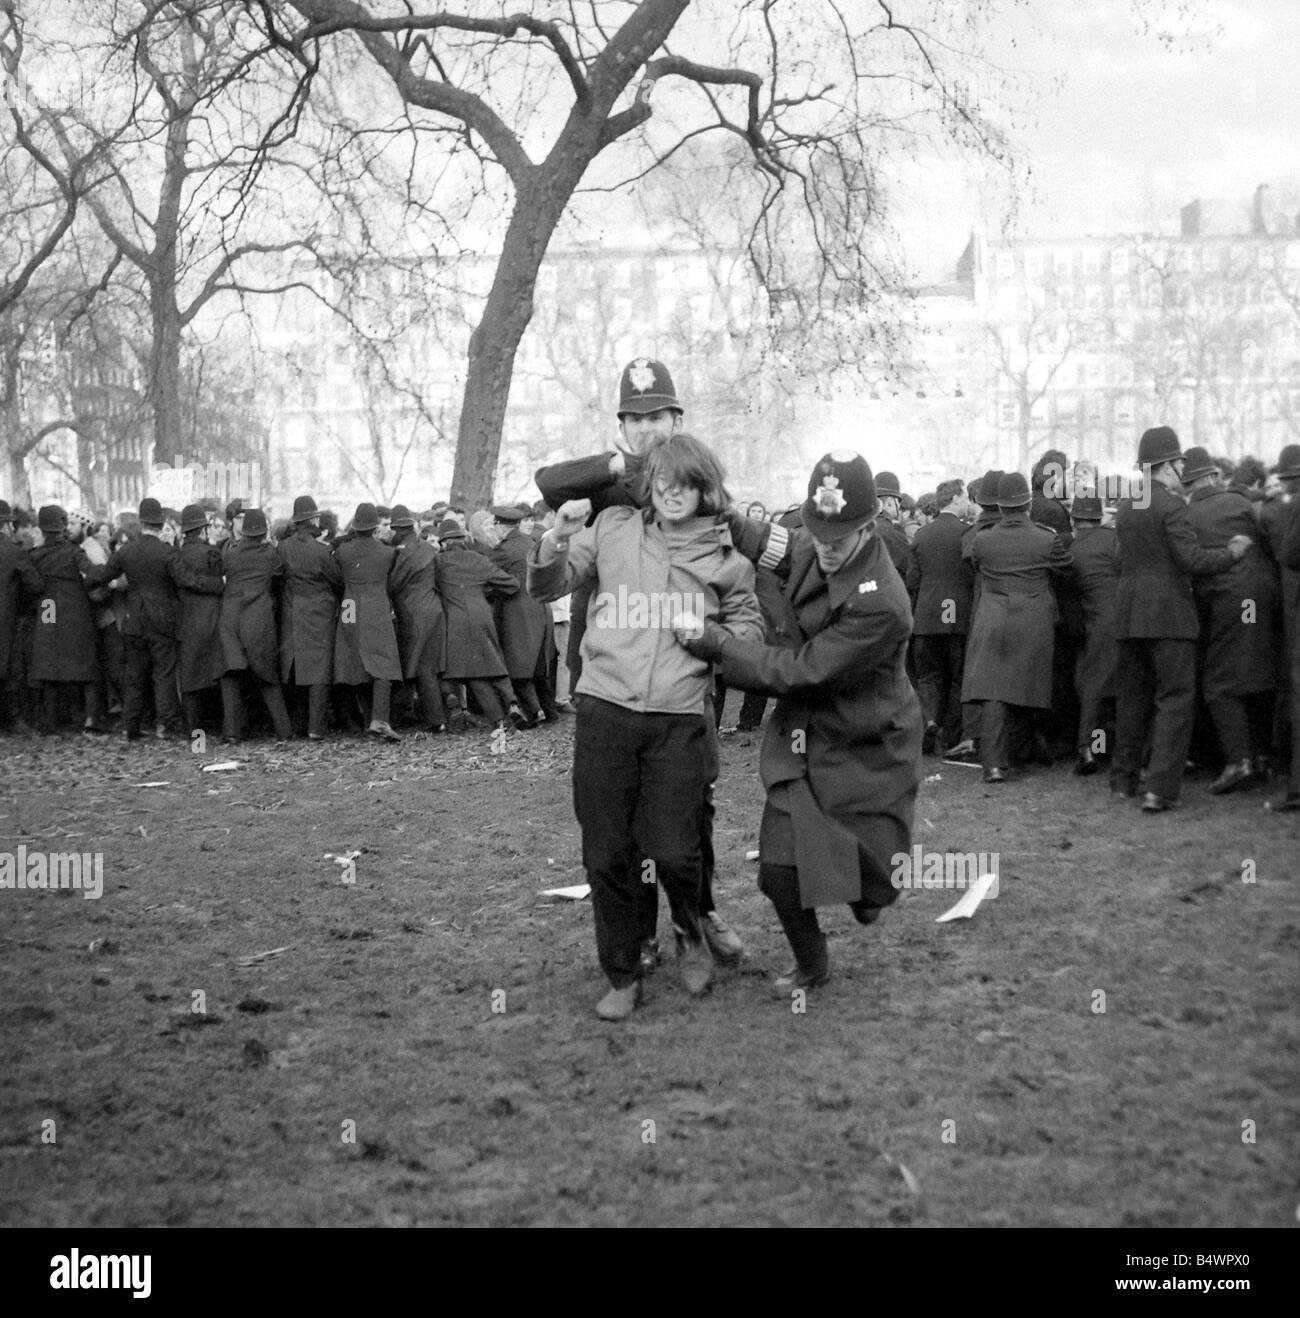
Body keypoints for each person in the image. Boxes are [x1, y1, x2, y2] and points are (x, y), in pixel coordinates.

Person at [529, 432, 763, 1020]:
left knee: (675, 852)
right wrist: (557, 538)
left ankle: (689, 928)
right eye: (661, 481)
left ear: (705, 490)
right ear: (648, 484)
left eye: (684, 483)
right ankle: (623, 970)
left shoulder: (726, 560)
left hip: (677, 719)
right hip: (605, 711)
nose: (671, 492)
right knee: (607, 854)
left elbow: (749, 637)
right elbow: (548, 585)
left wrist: (711, 638)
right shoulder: (612, 528)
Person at [674, 451, 921, 989]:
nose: (825, 548)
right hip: (806, 741)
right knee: (778, 872)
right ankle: (813, 964)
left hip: (865, 748)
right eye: (819, 533)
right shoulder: (816, 542)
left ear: (868, 527)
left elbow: (803, 672)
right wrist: (719, 510)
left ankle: (867, 891)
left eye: (838, 540)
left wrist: (718, 645)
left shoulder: (882, 603)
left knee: (876, 876)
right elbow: (773, 543)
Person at [1111, 427, 1251, 812]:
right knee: (1174, 700)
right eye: (1178, 464)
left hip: (1128, 613)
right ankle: (1159, 789)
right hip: (1169, 615)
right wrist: (1232, 553)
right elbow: (1191, 560)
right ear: (1169, 465)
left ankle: (1123, 780)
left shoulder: (1128, 504)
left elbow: (1120, 558)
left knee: (1132, 700)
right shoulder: (1171, 505)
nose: (1181, 471)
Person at [961, 472, 1072, 783]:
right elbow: (1067, 569)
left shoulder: (982, 540)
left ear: (999, 505)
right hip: (1033, 619)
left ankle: (994, 765)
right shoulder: (1046, 539)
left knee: (993, 691)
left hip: (992, 618)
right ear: (1028, 504)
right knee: (1027, 685)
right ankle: (1022, 752)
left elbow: (976, 566)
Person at [1180, 447, 1278, 792]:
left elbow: (1190, 562)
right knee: (1258, 672)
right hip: (1261, 597)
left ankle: (1238, 762)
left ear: (1186, 482)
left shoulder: (1187, 515)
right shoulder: (1241, 501)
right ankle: (1262, 758)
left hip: (1231, 599)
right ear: (1213, 475)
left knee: (1219, 684)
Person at [434, 519, 527, 732]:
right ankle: (512, 703)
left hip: (455, 620)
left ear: (444, 542)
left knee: (474, 674)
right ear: (463, 539)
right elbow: (512, 584)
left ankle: (497, 720)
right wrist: (485, 591)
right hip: (482, 615)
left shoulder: (439, 562)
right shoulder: (479, 559)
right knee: (495, 661)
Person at [906, 478, 972, 755]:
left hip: (927, 616)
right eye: (965, 497)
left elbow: (913, 580)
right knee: (957, 676)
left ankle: (930, 720)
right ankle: (951, 735)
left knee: (928, 676)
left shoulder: (921, 535)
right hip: (957, 615)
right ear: (955, 498)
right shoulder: (966, 533)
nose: (967, 502)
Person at [218, 508, 293, 742]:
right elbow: (279, 577)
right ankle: (283, 730)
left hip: (230, 618)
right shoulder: (270, 555)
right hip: (258, 619)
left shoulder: (230, 555)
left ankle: (232, 732)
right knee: (267, 676)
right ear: (263, 531)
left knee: (231, 676)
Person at [30, 506, 104, 736]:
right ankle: (91, 719)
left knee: (49, 656)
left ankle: (49, 720)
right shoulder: (73, 552)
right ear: (62, 525)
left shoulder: (35, 555)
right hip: (75, 607)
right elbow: (92, 573)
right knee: (85, 659)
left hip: (48, 606)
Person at [334, 502, 403, 742]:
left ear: (354, 525)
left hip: (349, 606)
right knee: (384, 660)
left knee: (354, 658)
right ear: (375, 526)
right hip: (376, 605)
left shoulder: (342, 551)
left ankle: (365, 720)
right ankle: (379, 720)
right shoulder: (387, 552)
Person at [278, 495, 343, 740]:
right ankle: (316, 727)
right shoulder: (322, 551)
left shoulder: (283, 548)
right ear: (314, 520)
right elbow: (338, 581)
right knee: (319, 670)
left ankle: (298, 724)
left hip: (293, 612)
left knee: (295, 669)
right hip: (319, 615)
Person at [1067, 496, 1119, 775]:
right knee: (1130, 687)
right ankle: (1121, 749)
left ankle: (1088, 749)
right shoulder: (1114, 539)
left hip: (1095, 624)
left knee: (1093, 688)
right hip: (1127, 619)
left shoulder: (1072, 550)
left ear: (1074, 520)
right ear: (1100, 517)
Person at [489, 504, 554, 725]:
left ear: (500, 526)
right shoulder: (531, 543)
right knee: (537, 665)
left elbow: (488, 577)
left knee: (517, 664)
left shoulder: (502, 550)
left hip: (516, 611)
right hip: (540, 607)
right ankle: (548, 711)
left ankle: (534, 712)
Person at [388, 504, 448, 732]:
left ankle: (435, 720)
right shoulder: (428, 548)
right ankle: (438, 714)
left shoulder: (404, 552)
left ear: (396, 529)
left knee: (420, 667)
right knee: (430, 665)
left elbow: (393, 584)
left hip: (413, 613)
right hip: (433, 609)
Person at [171, 504, 227, 735]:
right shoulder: (212, 554)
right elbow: (222, 585)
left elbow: (180, 583)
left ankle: (194, 731)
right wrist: (218, 584)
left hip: (185, 622)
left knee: (190, 679)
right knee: (216, 675)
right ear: (203, 529)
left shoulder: (175, 556)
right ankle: (218, 726)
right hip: (213, 620)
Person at [0, 499, 41, 734]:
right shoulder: (14, 552)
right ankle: (13, 718)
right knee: (10, 667)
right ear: (7, 525)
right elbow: (35, 585)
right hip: (7, 618)